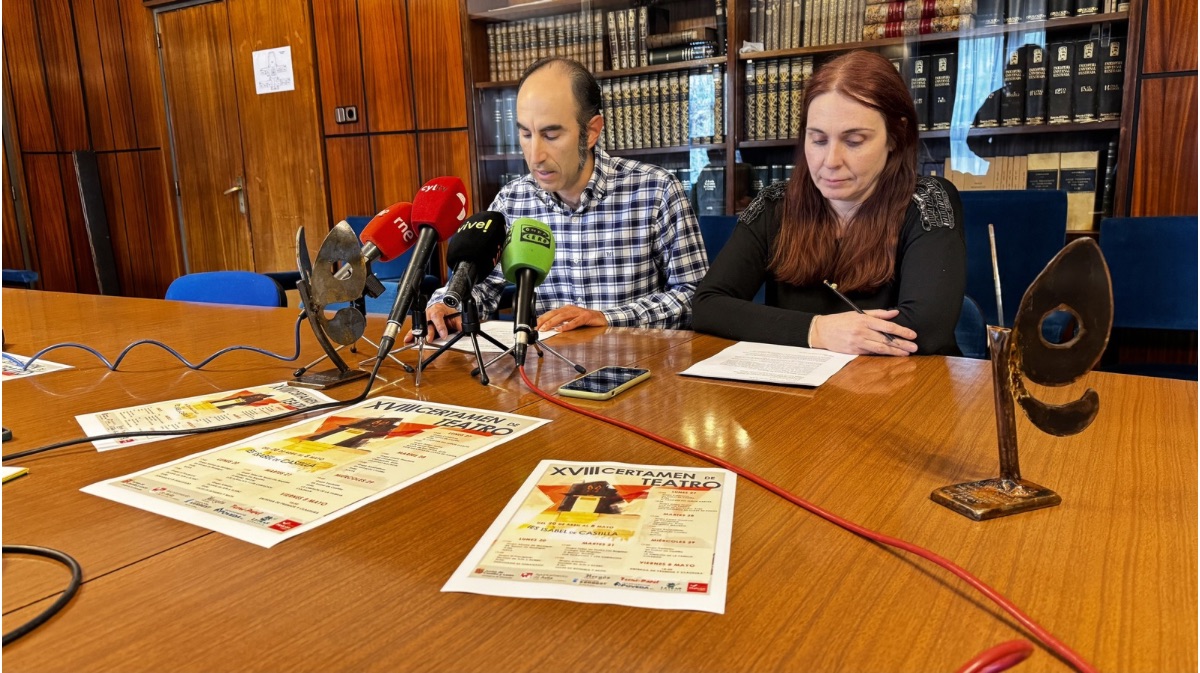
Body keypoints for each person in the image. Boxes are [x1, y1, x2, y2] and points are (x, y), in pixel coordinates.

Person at [693, 50, 965, 356]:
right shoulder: (774, 205)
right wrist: (817, 330)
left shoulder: (927, 200)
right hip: (801, 391)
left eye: (854, 141)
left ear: (895, 136)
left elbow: (924, 331)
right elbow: (707, 306)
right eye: (818, 140)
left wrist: (780, 327)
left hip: (902, 392)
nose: (831, 161)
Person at [419, 57, 708, 341]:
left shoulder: (655, 190)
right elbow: (481, 286)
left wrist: (606, 318)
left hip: (640, 370)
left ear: (591, 131)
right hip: (546, 371)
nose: (535, 156)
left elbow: (696, 297)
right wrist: (448, 303)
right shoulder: (513, 200)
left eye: (551, 135)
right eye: (525, 134)